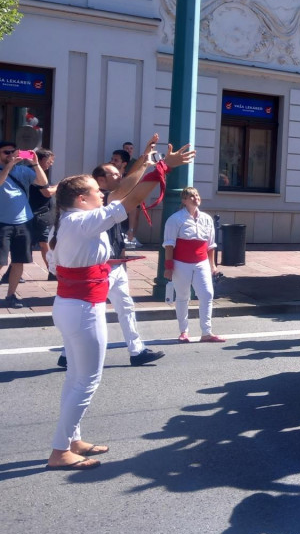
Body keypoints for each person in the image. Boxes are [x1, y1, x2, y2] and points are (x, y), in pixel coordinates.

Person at [47, 137, 193, 469]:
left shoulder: (75, 217)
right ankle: (60, 452)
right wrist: (162, 168)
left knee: (75, 377)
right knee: (86, 380)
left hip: (73, 305)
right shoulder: (83, 222)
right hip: (83, 308)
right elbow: (130, 200)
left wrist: (144, 163)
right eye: (96, 192)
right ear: (82, 199)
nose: (103, 194)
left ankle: (72, 439)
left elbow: (121, 192)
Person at [57, 162, 166, 368]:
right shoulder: (99, 204)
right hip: (98, 270)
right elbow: (130, 191)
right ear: (100, 181)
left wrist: (146, 162)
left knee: (125, 307)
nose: (119, 177)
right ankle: (67, 353)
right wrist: (156, 166)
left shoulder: (92, 206)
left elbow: (129, 188)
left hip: (113, 266)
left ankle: (137, 350)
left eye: (120, 173)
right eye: (114, 174)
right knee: (90, 316)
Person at [163, 187, 221, 343]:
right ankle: (184, 331)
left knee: (207, 294)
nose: (195, 198)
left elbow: (210, 245)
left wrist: (212, 265)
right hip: (181, 263)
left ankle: (207, 332)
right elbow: (169, 244)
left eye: (197, 195)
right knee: (183, 296)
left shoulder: (207, 219)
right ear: (184, 201)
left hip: (201, 262)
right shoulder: (175, 219)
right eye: (191, 196)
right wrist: (169, 267)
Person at [0, 142, 50, 307]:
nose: (10, 155)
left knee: (19, 261)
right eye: (6, 152)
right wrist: (9, 166)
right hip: (2, 222)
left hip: (23, 221)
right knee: (0, 261)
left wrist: (35, 163)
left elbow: (43, 183)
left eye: (13, 152)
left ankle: (11, 296)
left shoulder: (23, 171)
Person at [28, 148, 57, 278]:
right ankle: (51, 271)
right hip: (38, 214)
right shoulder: (35, 173)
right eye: (49, 161)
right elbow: (46, 192)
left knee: (33, 242)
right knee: (44, 242)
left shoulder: (38, 174)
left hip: (39, 213)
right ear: (42, 160)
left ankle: (51, 271)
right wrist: (59, 186)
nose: (51, 164)